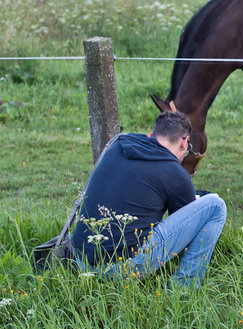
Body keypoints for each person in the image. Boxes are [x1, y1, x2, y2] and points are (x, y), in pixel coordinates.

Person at [71, 111, 227, 288]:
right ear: (184, 143)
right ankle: (184, 289)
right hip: (122, 268)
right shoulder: (176, 174)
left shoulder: (119, 144)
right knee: (216, 205)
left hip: (81, 259)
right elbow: (186, 229)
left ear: (151, 136)